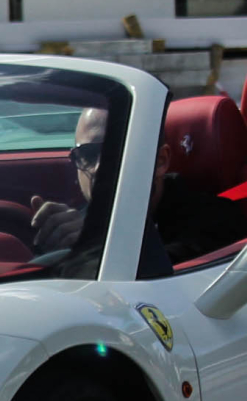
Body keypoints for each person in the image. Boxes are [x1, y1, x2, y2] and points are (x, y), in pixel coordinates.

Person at [28, 106, 172, 277]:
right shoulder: (72, 224)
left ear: (160, 161)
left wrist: (92, 246)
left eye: (114, 152)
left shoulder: (203, 227)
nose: (98, 167)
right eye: (88, 154)